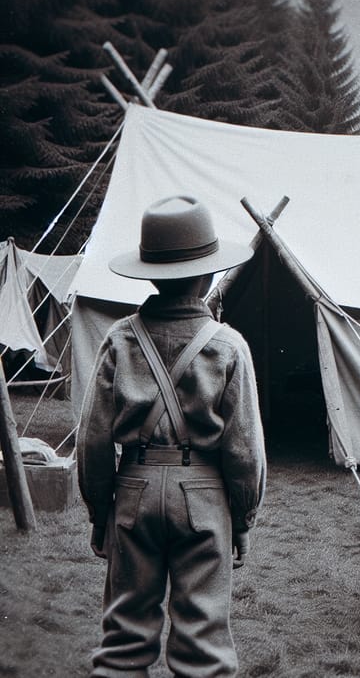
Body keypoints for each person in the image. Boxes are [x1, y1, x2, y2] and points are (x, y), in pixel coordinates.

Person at [77, 195, 266, 678]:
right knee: (203, 649)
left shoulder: (119, 338)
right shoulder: (228, 345)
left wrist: (102, 513)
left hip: (134, 491)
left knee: (122, 643)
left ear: (150, 273)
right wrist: (241, 520)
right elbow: (245, 451)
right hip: (203, 497)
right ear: (207, 275)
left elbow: (94, 441)